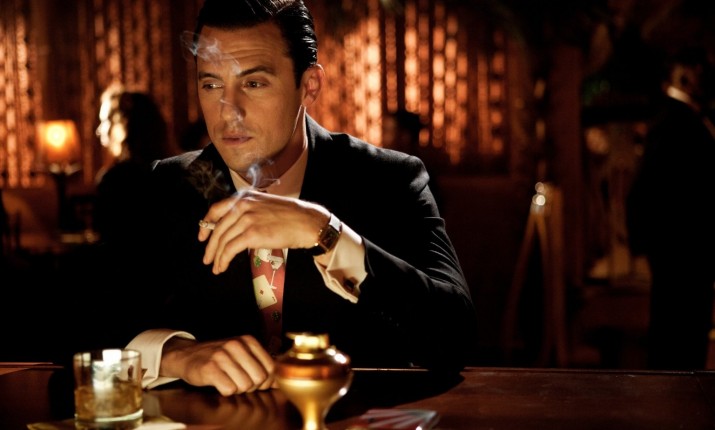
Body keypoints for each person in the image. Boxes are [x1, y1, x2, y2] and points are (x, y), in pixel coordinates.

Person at [117, 0, 476, 396]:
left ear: (309, 86)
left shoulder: (387, 179)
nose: (228, 111)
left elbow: (457, 336)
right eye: (211, 85)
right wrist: (176, 354)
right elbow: (84, 323)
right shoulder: (169, 185)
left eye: (254, 84)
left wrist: (324, 232)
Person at [626, 46, 715, 370]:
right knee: (678, 331)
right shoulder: (674, 120)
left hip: (688, 247)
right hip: (680, 248)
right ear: (682, 74)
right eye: (697, 68)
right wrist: (646, 244)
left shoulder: (686, 117)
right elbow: (646, 187)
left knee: (687, 329)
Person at [93, 84, 172, 244]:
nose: (99, 130)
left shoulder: (114, 180)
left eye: (105, 121)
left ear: (122, 123)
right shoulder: (176, 171)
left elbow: (104, 235)